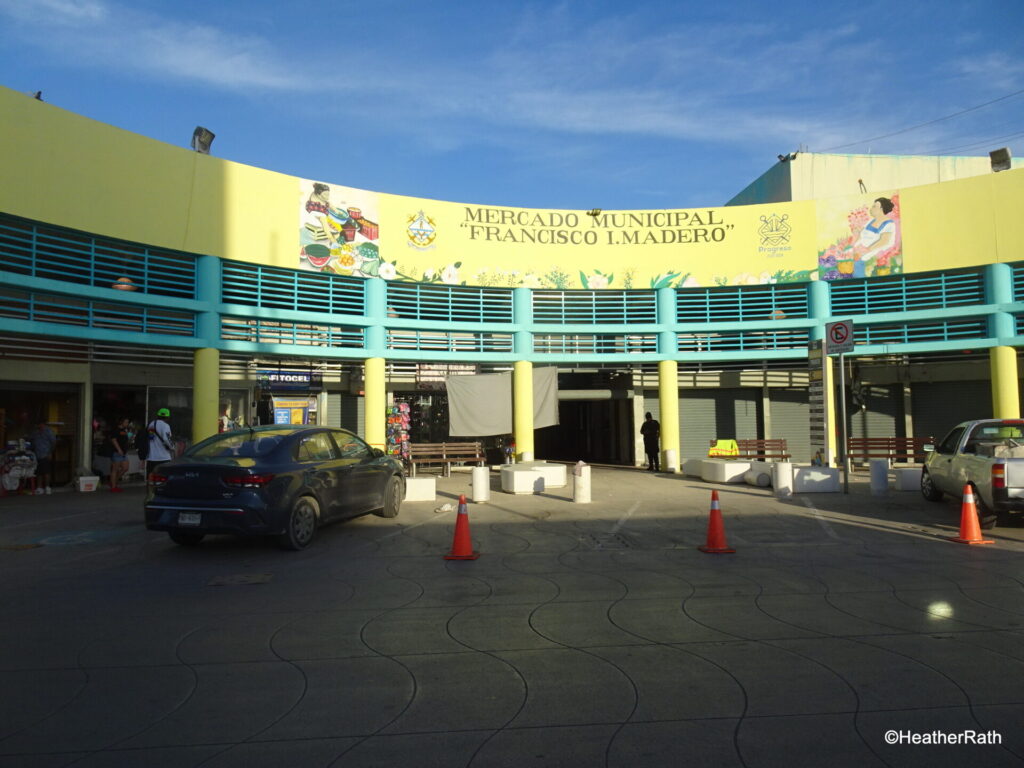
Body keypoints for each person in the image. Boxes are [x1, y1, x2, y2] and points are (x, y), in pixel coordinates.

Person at [852, 197, 897, 277]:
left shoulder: (889, 224)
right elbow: (862, 234)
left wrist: (867, 250)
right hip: (862, 248)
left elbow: (884, 241)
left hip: (875, 250)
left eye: (874, 206)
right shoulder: (871, 221)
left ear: (882, 209)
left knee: (858, 260)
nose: (871, 209)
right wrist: (855, 243)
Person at [27, 418, 56, 495]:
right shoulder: (36, 432)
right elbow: (30, 439)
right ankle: (39, 487)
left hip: (45, 453)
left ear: (44, 424)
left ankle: (47, 487)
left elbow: (53, 442)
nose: (39, 426)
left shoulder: (49, 432)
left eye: (40, 424)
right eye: (38, 424)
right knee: (38, 472)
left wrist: (50, 453)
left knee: (46, 471)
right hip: (37, 454)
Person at [146, 408, 174, 483]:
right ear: (167, 417)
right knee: (163, 477)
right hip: (163, 457)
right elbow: (166, 439)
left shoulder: (152, 424)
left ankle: (150, 491)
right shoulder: (165, 426)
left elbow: (150, 438)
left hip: (151, 457)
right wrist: (172, 447)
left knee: (151, 476)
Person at [108, 417, 130, 493]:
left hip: (124, 452)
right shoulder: (116, 430)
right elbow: (114, 440)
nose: (127, 424)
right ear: (121, 422)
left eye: (127, 422)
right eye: (126, 422)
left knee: (125, 468)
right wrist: (119, 449)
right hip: (117, 452)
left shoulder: (124, 430)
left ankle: (113, 482)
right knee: (115, 469)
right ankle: (113, 486)